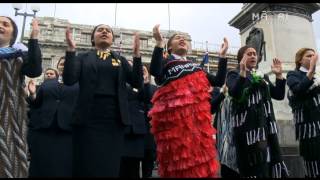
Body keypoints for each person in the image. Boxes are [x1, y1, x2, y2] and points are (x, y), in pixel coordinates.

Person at [148, 24, 229, 178]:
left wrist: (223, 56)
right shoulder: (166, 62)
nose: (182, 40)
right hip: (175, 127)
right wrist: (159, 44)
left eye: (184, 38)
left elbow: (218, 80)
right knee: (178, 165)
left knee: (198, 164)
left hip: (197, 127)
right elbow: (155, 72)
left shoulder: (196, 66)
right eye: (177, 38)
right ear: (169, 47)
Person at [63, 24, 143, 177]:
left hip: (114, 120)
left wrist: (137, 55)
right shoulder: (83, 58)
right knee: (85, 164)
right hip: (87, 118)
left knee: (109, 165)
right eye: (100, 30)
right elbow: (69, 80)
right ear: (92, 39)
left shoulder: (120, 60)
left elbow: (137, 83)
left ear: (113, 39)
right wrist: (71, 51)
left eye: (108, 31)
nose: (105, 31)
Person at [226, 45, 289, 178]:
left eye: (255, 54)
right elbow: (235, 92)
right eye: (249, 54)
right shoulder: (233, 73)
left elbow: (278, 94)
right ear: (241, 58)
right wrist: (242, 74)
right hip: (247, 128)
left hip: (266, 126)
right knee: (253, 165)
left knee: (268, 162)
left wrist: (279, 76)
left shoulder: (262, 75)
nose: (253, 56)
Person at [0, 16, 42, 178]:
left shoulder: (18, 55)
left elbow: (34, 69)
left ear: (12, 35)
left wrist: (34, 37)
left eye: (5, 24)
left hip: (7, 118)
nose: (1, 26)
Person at [26, 57, 79, 177]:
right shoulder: (48, 83)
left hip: (66, 130)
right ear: (58, 66)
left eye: (67, 63)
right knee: (41, 163)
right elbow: (36, 104)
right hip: (45, 128)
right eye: (61, 64)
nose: (64, 66)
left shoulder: (79, 83)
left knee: (63, 165)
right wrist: (33, 94)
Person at [286, 48, 320, 178]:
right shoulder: (292, 75)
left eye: (313, 55)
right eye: (308, 56)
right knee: (313, 166)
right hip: (309, 128)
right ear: (300, 60)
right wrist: (311, 71)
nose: (312, 58)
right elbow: (299, 90)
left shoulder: (317, 75)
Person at [119, 60, 148, 178]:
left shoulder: (140, 85)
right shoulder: (117, 82)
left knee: (133, 169)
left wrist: (145, 83)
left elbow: (147, 100)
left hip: (135, 131)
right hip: (120, 129)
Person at [211, 84, 240, 178]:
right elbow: (211, 108)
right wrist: (222, 94)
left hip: (238, 131)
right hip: (223, 135)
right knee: (225, 165)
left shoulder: (240, 85)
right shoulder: (217, 89)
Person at [141, 65, 158, 178]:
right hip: (132, 135)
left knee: (147, 169)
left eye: (144, 71)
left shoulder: (154, 89)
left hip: (148, 135)